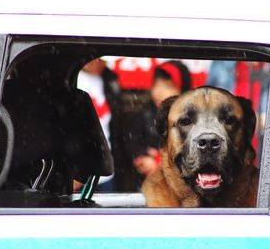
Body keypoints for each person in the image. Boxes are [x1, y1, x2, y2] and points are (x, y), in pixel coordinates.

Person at [128, 60, 191, 188]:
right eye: (156, 84)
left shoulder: (190, 121)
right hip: (150, 184)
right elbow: (132, 141)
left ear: (183, 90)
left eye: (167, 86)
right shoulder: (146, 115)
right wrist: (142, 158)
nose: (159, 91)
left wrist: (158, 162)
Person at [76, 58, 122, 191]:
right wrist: (73, 170)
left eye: (101, 60)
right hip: (80, 173)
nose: (96, 62)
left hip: (106, 170)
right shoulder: (72, 78)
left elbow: (114, 125)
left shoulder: (109, 80)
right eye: (93, 59)